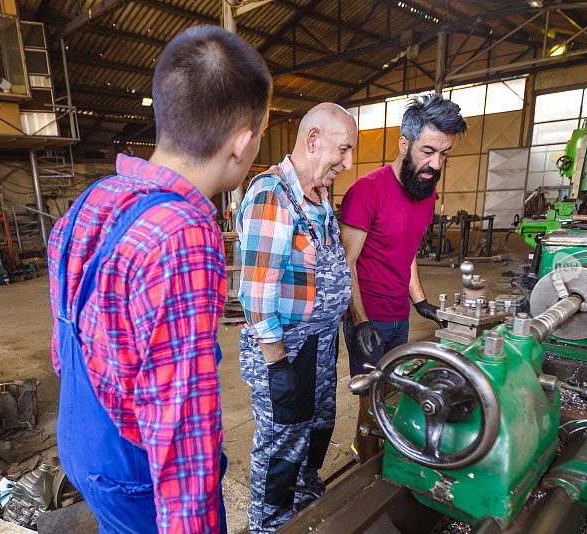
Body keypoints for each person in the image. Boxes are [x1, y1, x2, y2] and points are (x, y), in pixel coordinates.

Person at [47, 26, 271, 533]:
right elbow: (182, 428)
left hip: (82, 442)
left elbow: (65, 343)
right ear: (241, 143)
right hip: (135, 472)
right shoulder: (183, 237)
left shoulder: (96, 198)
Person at [237, 102, 357, 533]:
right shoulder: (273, 195)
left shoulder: (320, 198)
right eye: (342, 150)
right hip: (285, 349)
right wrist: (277, 363)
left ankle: (304, 504)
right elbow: (256, 291)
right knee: (282, 443)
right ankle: (268, 524)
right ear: (312, 141)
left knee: (318, 426)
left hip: (322, 342)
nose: (346, 163)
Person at [339, 94, 468, 459]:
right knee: (371, 397)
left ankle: (388, 455)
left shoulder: (426, 191)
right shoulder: (367, 191)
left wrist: (420, 300)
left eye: (443, 154)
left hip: (398, 316)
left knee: (396, 392)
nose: (435, 163)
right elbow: (346, 263)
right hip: (368, 319)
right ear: (404, 143)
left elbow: (408, 251)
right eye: (428, 151)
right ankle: (364, 457)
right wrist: (360, 321)